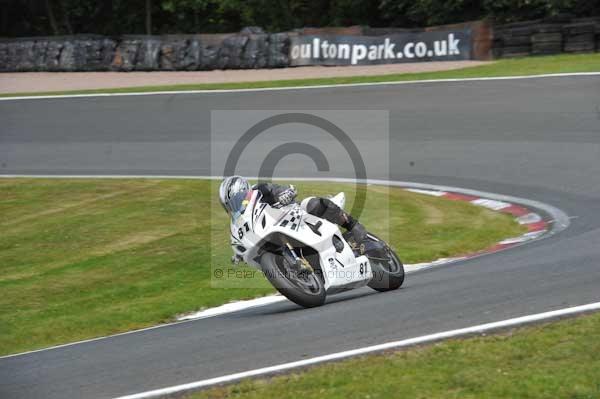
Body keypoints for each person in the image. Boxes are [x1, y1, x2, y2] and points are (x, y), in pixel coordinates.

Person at [219, 175, 367, 243]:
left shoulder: (260, 190)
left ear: (243, 190)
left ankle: (352, 225)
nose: (235, 207)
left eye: (236, 201)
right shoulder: (242, 222)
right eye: (230, 206)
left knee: (312, 204)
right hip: (276, 233)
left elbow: (281, 190)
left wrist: (285, 193)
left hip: (296, 215)